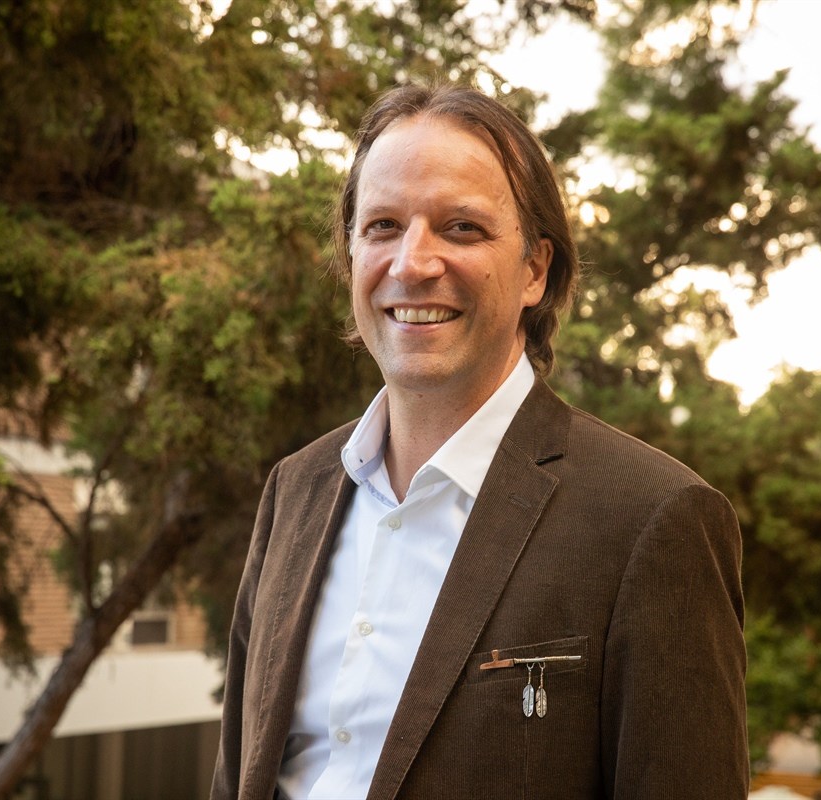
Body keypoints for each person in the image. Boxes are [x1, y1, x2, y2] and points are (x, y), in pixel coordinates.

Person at [210, 83, 748, 800]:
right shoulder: (294, 492)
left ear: (535, 269)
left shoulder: (655, 519)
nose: (412, 263)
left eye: (461, 227)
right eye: (382, 226)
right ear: (351, 256)